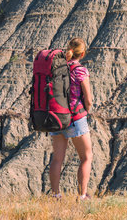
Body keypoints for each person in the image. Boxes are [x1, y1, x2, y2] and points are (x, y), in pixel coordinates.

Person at [49, 37, 93, 199]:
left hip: (56, 116)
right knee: (86, 157)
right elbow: (88, 99)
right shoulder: (80, 70)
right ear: (82, 53)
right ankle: (82, 196)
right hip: (75, 117)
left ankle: (56, 195)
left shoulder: (57, 69)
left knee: (57, 159)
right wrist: (86, 111)